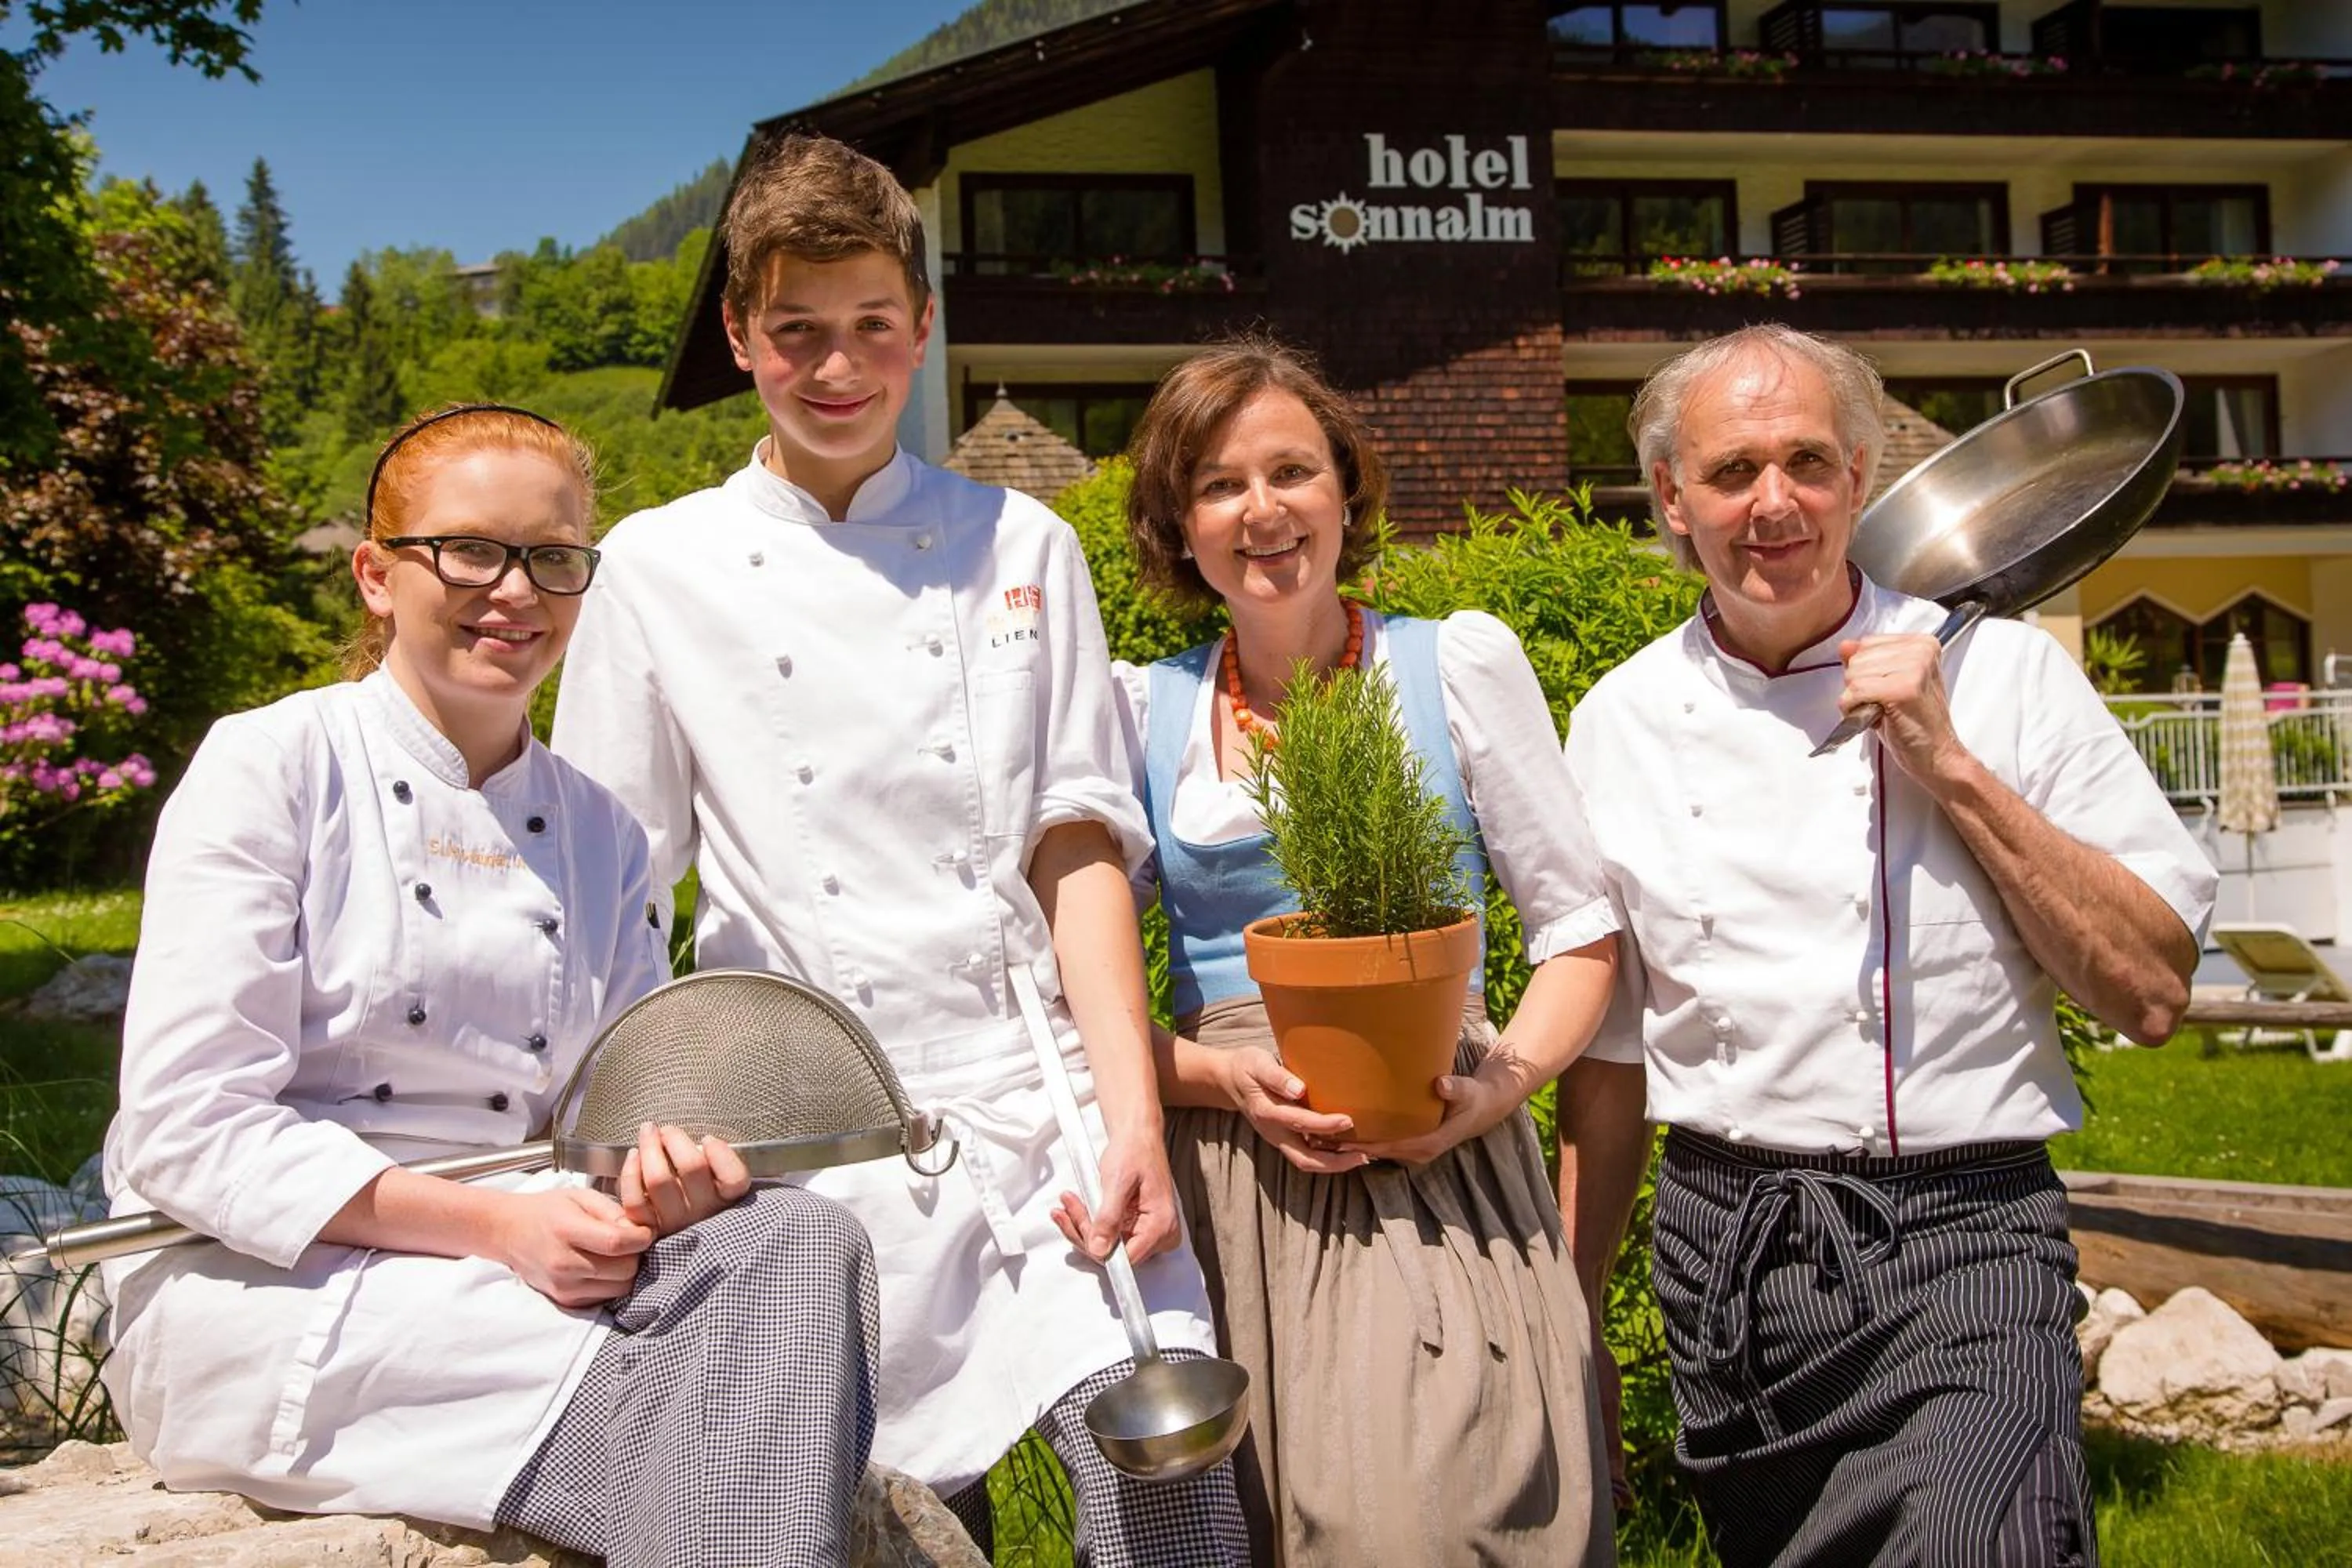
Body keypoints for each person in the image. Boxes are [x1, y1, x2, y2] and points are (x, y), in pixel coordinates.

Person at [550, 135, 1250, 1565]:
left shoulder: (1022, 543)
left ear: (921, 330)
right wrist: (620, 1138)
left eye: (872, 327)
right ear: (742, 336)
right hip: (801, 1122)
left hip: (1032, 1092)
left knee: (1165, 1490)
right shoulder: (656, 566)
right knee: (883, 1519)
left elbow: (1081, 856)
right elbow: (615, 893)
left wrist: (1132, 1119)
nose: (838, 367)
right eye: (797, 332)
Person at [100, 405, 881, 1567]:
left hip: (532, 1261)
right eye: (471, 550)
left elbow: (604, 1120)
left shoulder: (604, 834)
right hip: (278, 1284)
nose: (515, 592)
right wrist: (498, 1229)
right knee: (735, 1393)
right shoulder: (273, 766)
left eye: (555, 560)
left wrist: (656, 1178)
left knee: (805, 1245)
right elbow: (185, 1131)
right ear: (376, 574)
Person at [1562, 324, 2218, 1567]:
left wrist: (1948, 763)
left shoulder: (2005, 675)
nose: (1775, 503)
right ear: (1671, 499)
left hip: (1963, 1235)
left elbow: (2150, 990)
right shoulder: (1622, 721)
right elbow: (1607, 1059)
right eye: (1732, 471)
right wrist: (1575, 1309)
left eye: (1808, 461)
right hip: (1730, 1251)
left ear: (1861, 478)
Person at [1095, 336, 1622, 1566]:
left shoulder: (1452, 670)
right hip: (1230, 1175)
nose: (1263, 511)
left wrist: (1494, 1090)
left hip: (1435, 1147)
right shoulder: (1138, 709)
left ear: (1346, 492)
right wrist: (1218, 1078)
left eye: (1293, 471)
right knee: (1258, 1522)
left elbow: (1580, 935)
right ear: (1179, 526)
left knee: (1422, 1517)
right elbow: (1092, 993)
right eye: (1220, 485)